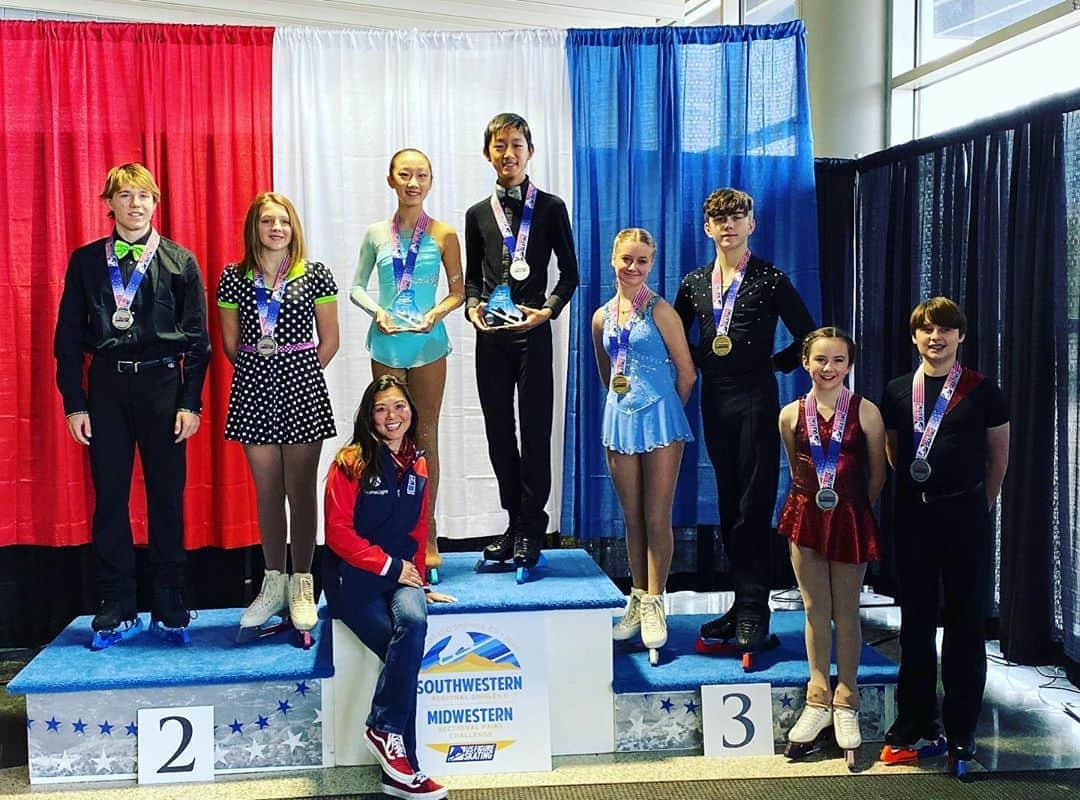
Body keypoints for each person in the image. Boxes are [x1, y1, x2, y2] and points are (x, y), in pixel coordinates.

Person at [54, 162, 210, 646]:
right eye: (124, 196)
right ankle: (116, 602)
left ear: (155, 202)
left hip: (164, 387)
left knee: (166, 497)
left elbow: (199, 342)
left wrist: (191, 403)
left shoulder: (181, 261)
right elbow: (67, 341)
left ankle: (169, 602)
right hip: (106, 389)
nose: (135, 204)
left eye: (143, 195)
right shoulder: (84, 262)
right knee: (111, 500)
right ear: (109, 204)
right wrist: (75, 405)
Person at [673, 187, 815, 653]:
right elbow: (674, 336)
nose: (728, 225)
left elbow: (809, 335)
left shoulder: (770, 279)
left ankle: (757, 609)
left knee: (754, 504)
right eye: (719, 218)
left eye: (738, 217)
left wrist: (776, 365)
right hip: (715, 398)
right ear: (708, 228)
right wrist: (700, 361)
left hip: (757, 397)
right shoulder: (694, 283)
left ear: (751, 224)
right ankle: (740, 603)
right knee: (730, 502)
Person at [879, 297, 1009, 770]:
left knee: (965, 624)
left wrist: (980, 503)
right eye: (926, 330)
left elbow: (999, 457)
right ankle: (914, 721)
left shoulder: (983, 390)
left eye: (945, 330)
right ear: (914, 337)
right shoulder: (896, 391)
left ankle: (961, 729)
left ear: (961, 337)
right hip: (914, 517)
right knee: (914, 624)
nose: (936, 338)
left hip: (966, 516)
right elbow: (896, 453)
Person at [324, 375, 455, 800]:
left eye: (399, 406)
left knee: (414, 620)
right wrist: (390, 567)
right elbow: (339, 534)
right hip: (355, 580)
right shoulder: (349, 462)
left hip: (401, 573)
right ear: (369, 415)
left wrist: (416, 576)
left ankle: (385, 735)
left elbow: (417, 529)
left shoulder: (418, 463)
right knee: (403, 657)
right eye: (382, 409)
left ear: (411, 411)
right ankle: (406, 770)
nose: (392, 416)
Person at [217, 192, 339, 642]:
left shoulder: (315, 274)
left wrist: (297, 371)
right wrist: (261, 369)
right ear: (255, 228)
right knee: (267, 490)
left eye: (283, 221)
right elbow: (231, 344)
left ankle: (303, 583)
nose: (276, 229)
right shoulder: (234, 278)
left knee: (301, 490)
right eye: (268, 221)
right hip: (253, 386)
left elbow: (330, 339)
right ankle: (273, 582)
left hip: (302, 387)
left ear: (294, 228)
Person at [465, 112, 578, 572]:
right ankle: (514, 520)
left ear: (529, 151)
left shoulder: (550, 208)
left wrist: (546, 310)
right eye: (499, 146)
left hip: (533, 335)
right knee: (498, 432)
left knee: (534, 431)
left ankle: (533, 526)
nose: (508, 153)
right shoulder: (477, 214)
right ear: (488, 153)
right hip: (491, 336)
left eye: (516, 145)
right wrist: (473, 309)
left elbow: (570, 274)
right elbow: (473, 278)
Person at [351, 149, 465, 584]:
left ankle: (427, 534)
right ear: (390, 180)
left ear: (431, 181)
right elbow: (357, 287)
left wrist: (437, 312)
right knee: (384, 435)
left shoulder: (445, 233)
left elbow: (457, 290)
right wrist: (376, 312)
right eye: (405, 175)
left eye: (420, 175)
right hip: (387, 341)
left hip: (428, 345)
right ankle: (386, 530)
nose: (412, 182)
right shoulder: (376, 234)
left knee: (424, 435)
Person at [777, 328, 886, 767]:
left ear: (849, 364)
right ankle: (818, 694)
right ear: (806, 362)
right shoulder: (789, 414)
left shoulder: (867, 413)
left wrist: (854, 509)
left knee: (847, 610)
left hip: (850, 517)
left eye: (838, 360)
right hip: (805, 517)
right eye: (821, 359)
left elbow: (876, 473)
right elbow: (793, 464)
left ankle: (847, 698)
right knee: (813, 608)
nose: (829, 368)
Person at [592, 229, 695, 664]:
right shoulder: (600, 317)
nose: (633, 268)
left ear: (652, 264)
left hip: (660, 417)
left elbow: (687, 373)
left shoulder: (662, 311)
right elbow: (604, 371)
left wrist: (667, 409)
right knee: (631, 518)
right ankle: (636, 597)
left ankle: (656, 601)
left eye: (643, 261)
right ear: (613, 259)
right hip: (620, 418)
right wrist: (621, 403)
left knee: (657, 516)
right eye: (627, 259)